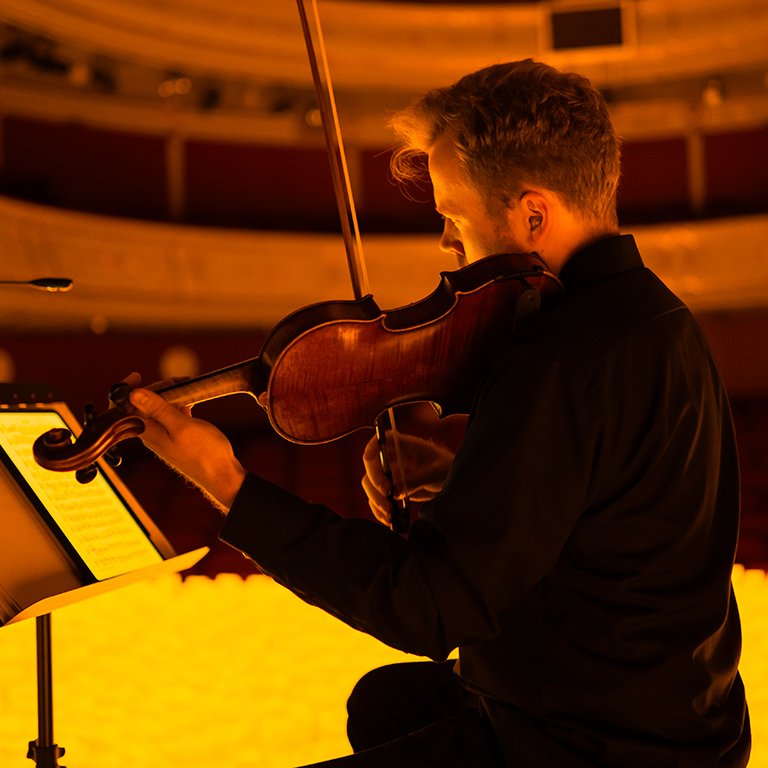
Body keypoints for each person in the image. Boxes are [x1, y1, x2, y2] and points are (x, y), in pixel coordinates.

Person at [126, 59, 750, 767]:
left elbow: (429, 608)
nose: (447, 245)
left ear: (533, 214)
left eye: (454, 217)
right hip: (685, 720)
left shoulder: (555, 357)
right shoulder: (659, 316)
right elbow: (613, 500)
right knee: (384, 701)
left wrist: (229, 486)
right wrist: (466, 474)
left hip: (587, 745)